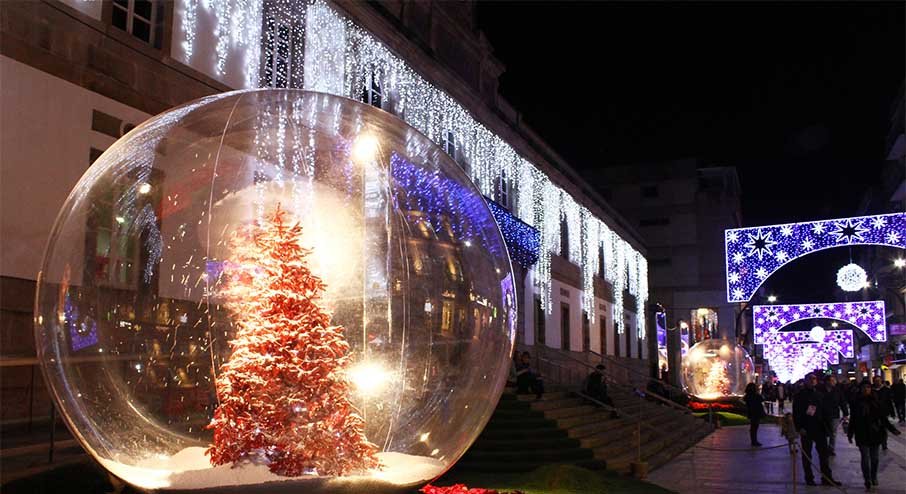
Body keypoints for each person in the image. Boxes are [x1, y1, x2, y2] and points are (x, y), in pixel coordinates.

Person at [848, 381, 902, 490]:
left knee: (875, 458)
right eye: (864, 387)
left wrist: (893, 430)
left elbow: (883, 418)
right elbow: (853, 419)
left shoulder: (876, 401)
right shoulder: (856, 402)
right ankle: (867, 479)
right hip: (861, 433)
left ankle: (873, 476)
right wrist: (850, 433)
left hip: (875, 433)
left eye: (868, 387)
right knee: (865, 457)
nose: (866, 389)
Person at [793, 374, 841, 486]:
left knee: (824, 455)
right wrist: (799, 427)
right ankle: (809, 478)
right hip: (807, 428)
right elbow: (797, 413)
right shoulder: (800, 396)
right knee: (807, 455)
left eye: (814, 379)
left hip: (820, 428)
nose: (813, 381)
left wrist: (828, 426)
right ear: (805, 381)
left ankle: (827, 478)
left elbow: (825, 411)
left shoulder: (819, 394)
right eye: (810, 379)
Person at [821, 376, 847, 456]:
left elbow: (842, 402)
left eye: (834, 380)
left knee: (833, 432)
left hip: (834, 415)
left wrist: (845, 413)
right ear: (827, 382)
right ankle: (823, 448)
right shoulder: (820, 391)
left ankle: (831, 448)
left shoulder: (837, 391)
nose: (834, 382)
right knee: (823, 432)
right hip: (822, 415)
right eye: (832, 380)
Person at [872, 376, 894, 450]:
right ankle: (877, 442)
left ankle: (884, 443)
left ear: (881, 381)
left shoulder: (886, 390)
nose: (877, 382)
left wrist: (892, 412)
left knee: (883, 428)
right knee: (875, 428)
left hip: (883, 412)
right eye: (876, 381)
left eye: (878, 380)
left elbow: (889, 402)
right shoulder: (871, 390)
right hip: (873, 412)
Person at [744, 382, 765, 447]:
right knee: (755, 427)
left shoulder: (747, 396)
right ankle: (754, 441)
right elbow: (762, 399)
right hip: (756, 412)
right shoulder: (756, 395)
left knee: (753, 427)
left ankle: (754, 440)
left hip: (751, 412)